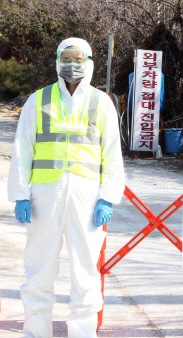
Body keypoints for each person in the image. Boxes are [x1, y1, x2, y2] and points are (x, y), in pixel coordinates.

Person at [7, 37, 125, 337]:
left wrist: (108, 198)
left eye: (78, 59)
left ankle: (83, 333)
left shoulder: (101, 102)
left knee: (85, 271)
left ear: (89, 62)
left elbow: (112, 153)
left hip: (87, 198)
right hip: (44, 197)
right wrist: (20, 195)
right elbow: (23, 148)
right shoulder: (38, 99)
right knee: (38, 269)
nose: (72, 65)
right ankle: (36, 331)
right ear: (58, 61)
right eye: (67, 59)